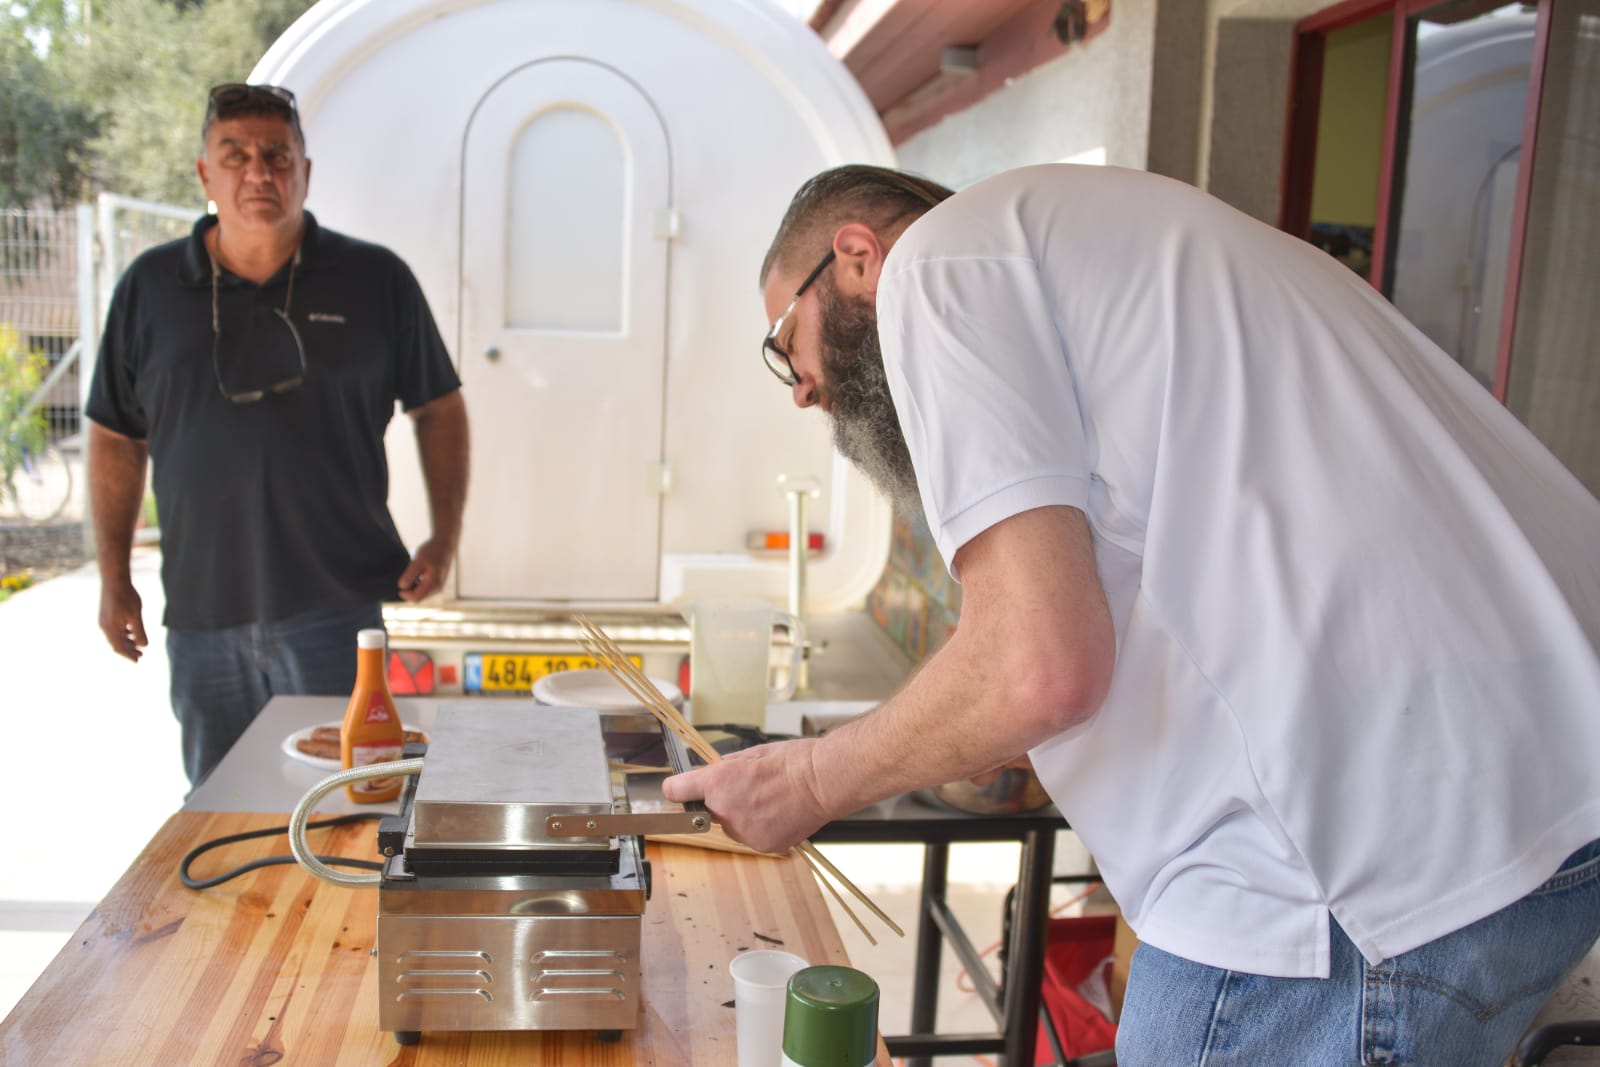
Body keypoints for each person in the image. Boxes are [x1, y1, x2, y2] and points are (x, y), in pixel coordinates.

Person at [663, 163, 1600, 1065]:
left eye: (785, 339)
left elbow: (1040, 667)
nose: (800, 387)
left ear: (858, 256)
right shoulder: (1082, 244)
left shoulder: (938, 267)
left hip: (1359, 874)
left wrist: (811, 779)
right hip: (1530, 784)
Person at [86, 83, 469, 787]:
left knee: (350, 801)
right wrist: (114, 578)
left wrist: (444, 538)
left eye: (277, 155)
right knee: (221, 807)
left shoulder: (375, 279)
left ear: (305, 171)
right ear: (205, 173)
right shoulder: (150, 287)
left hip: (337, 613)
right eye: (235, 155)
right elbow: (115, 436)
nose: (258, 172)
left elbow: (439, 408)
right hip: (204, 615)